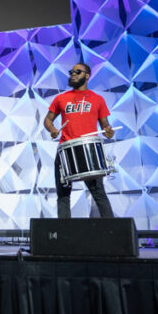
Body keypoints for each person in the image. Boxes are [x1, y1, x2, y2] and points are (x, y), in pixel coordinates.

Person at [43, 63, 116, 219]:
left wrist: (109, 131)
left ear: (87, 75)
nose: (73, 74)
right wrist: (52, 130)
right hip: (65, 149)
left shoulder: (98, 99)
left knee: (99, 194)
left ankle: (112, 234)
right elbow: (47, 120)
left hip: (89, 150)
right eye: (71, 72)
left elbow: (105, 125)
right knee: (63, 195)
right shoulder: (61, 98)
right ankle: (64, 236)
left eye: (77, 72)